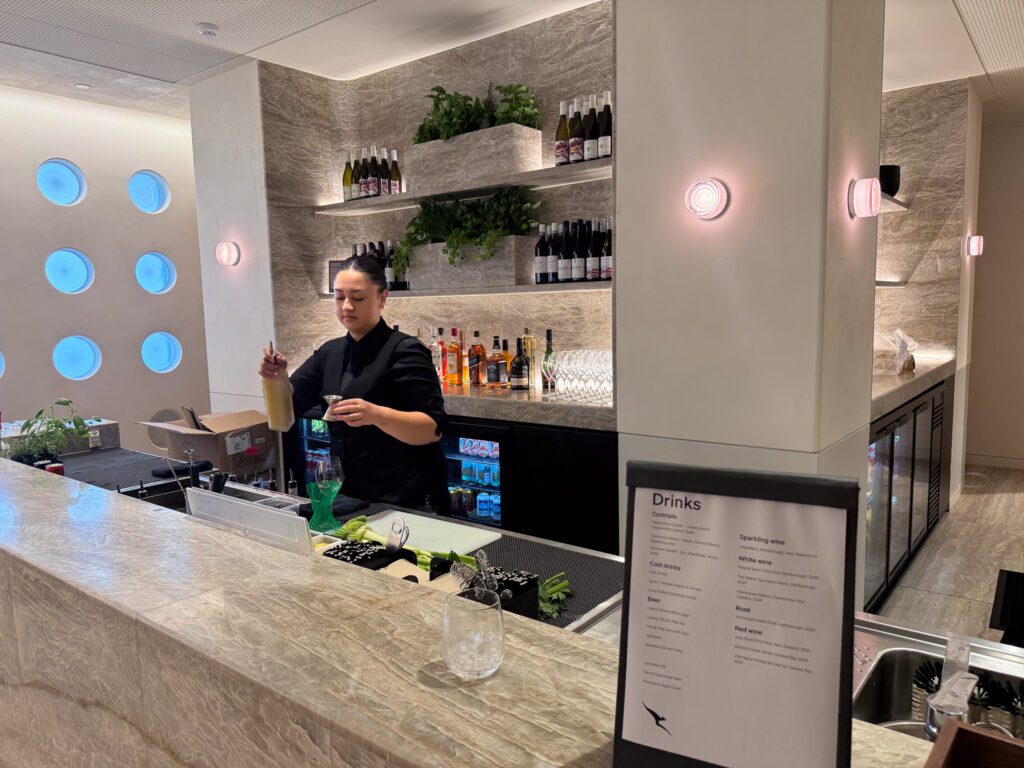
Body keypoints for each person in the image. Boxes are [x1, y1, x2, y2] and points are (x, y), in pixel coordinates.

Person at [258, 254, 448, 509]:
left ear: (382, 298)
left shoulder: (405, 351)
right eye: (339, 297)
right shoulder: (330, 353)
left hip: (403, 498)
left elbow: (431, 428)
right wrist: (276, 378)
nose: (347, 306)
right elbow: (284, 417)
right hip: (349, 497)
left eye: (357, 298)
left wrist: (376, 414)